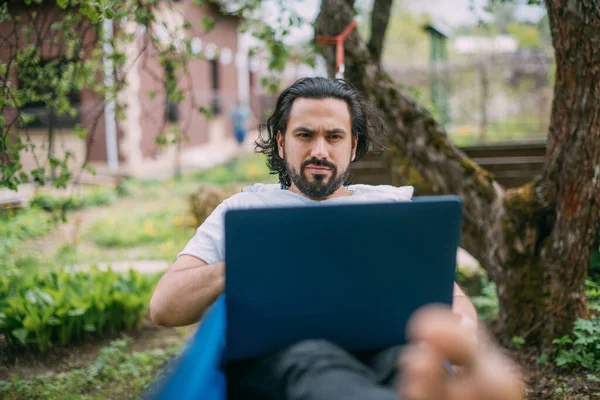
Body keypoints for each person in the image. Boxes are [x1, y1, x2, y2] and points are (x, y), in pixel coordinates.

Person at [150, 77, 524, 400]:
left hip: (386, 349)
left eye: (334, 136)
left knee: (403, 364)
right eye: (305, 135)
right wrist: (244, 265)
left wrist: (462, 333)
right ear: (281, 143)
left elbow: (452, 299)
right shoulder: (243, 209)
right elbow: (164, 307)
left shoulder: (391, 206)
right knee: (313, 361)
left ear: (353, 145)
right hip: (284, 358)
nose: (319, 151)